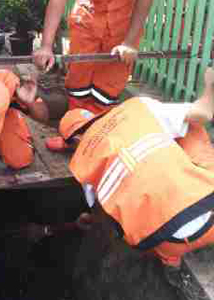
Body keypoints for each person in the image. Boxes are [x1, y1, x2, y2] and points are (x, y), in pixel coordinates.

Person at [48, 66, 214, 272]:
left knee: (134, 220)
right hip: (208, 211)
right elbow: (204, 112)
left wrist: (85, 220)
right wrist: (210, 84)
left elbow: (102, 213)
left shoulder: (82, 165)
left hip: (167, 243)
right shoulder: (137, 108)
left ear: (74, 142)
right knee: (190, 125)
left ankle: (170, 261)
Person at [33, 0, 170, 151]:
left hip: (124, 28)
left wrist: (129, 42)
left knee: (106, 92)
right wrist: (46, 46)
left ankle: (96, 145)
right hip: (86, 20)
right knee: (78, 86)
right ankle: (72, 135)